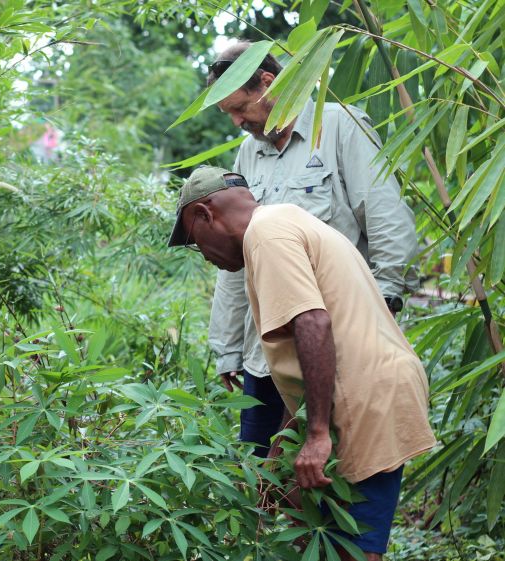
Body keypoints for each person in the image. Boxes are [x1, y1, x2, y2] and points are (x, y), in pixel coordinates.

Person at [169, 166, 436, 559]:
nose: (205, 255)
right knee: (315, 524)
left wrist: (316, 435)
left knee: (355, 548)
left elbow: (313, 323)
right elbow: (309, 348)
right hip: (370, 389)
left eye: (195, 241)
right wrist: (286, 439)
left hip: (365, 398)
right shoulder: (284, 220)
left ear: (206, 215)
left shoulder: (266, 236)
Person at [204, 41, 419, 457]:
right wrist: (227, 347)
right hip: (264, 354)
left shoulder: (340, 126)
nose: (235, 122)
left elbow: (387, 220)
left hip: (331, 349)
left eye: (239, 108)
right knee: (266, 486)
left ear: (268, 82)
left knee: (337, 475)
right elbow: (238, 257)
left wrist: (384, 305)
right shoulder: (249, 152)